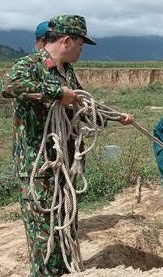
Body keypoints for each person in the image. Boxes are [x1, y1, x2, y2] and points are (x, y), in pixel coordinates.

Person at [1, 15, 134, 277]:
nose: (82, 49)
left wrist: (113, 116)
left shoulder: (67, 72)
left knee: (66, 230)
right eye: (81, 43)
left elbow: (82, 105)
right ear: (66, 40)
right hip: (38, 168)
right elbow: (10, 86)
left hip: (65, 167)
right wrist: (58, 93)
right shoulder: (30, 65)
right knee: (45, 239)